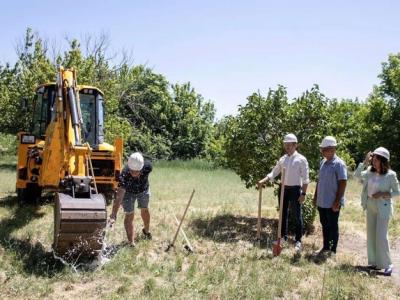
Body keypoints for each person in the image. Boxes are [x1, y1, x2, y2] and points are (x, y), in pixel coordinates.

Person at [258, 133, 309, 252]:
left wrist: (303, 194)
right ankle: (282, 238)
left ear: (295, 145)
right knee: (283, 214)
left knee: (297, 215)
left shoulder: (301, 159)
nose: (287, 147)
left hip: (296, 189)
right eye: (286, 145)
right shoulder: (283, 159)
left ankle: (298, 241)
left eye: (289, 145)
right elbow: (274, 172)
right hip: (283, 189)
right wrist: (263, 180)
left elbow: (306, 178)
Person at [354, 147, 399, 276]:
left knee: (381, 236)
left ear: (383, 161)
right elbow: (356, 176)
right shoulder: (369, 171)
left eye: (377, 158)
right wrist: (364, 162)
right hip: (370, 205)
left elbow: (397, 192)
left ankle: (388, 264)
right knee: (371, 235)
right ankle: (375, 262)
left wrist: (383, 193)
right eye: (373, 158)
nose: (374, 160)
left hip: (383, 207)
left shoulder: (391, 175)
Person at [109, 152, 153, 246]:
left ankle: (146, 230)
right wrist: (113, 215)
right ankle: (131, 243)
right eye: (132, 171)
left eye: (137, 172)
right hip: (128, 193)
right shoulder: (124, 174)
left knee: (145, 209)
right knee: (129, 215)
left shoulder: (148, 167)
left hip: (143, 189)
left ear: (141, 168)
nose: (134, 174)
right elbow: (120, 194)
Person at [313, 136, 347, 255]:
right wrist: (315, 196)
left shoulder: (339, 164)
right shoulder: (323, 162)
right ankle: (325, 247)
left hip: (332, 201)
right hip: (322, 201)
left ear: (332, 149)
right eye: (322, 149)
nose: (322, 151)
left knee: (332, 226)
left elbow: (343, 183)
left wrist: (337, 201)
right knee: (324, 224)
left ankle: (332, 250)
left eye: (324, 149)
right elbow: (319, 181)